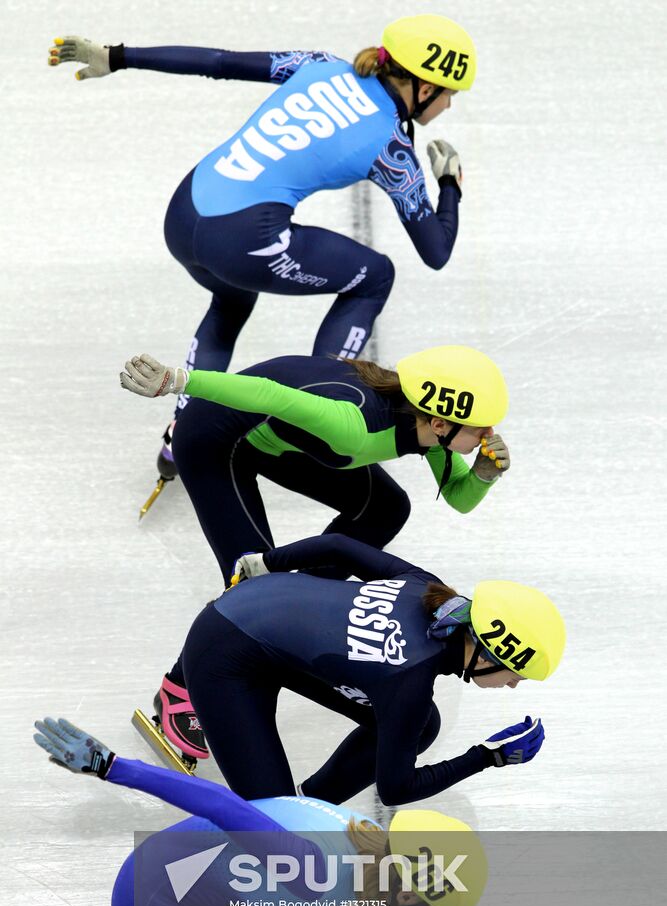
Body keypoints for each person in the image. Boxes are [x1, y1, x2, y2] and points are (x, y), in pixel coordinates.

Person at [49, 15, 476, 475]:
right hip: (242, 238)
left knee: (232, 299)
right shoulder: (393, 149)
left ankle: (182, 433)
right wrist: (449, 183)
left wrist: (119, 56)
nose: (449, 105)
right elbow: (436, 251)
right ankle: (320, 408)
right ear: (423, 87)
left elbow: (220, 62)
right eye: (449, 93)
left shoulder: (321, 65)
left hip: (184, 212)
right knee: (375, 276)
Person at [119, 345, 512, 764]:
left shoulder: (429, 431)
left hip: (277, 440)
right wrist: (179, 381)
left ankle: (292, 600)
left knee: (385, 508)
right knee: (252, 588)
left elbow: (459, 497)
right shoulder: (352, 426)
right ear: (439, 422)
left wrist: (483, 476)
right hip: (216, 437)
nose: (488, 435)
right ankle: (180, 689)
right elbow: (269, 394)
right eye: (480, 428)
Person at [33, 717, 486, 906]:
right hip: (158, 900)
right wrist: (111, 765)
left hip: (247, 897)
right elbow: (221, 804)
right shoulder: (314, 867)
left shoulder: (381, 862)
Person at [144, 531, 564, 798]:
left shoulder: (429, 589)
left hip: (261, 613)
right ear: (489, 653)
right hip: (224, 657)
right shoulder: (410, 681)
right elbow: (397, 788)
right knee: (278, 835)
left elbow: (338, 547)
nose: (512, 686)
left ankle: (313, 804)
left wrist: (264, 563)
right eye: (516, 675)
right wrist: (485, 757)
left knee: (424, 725)